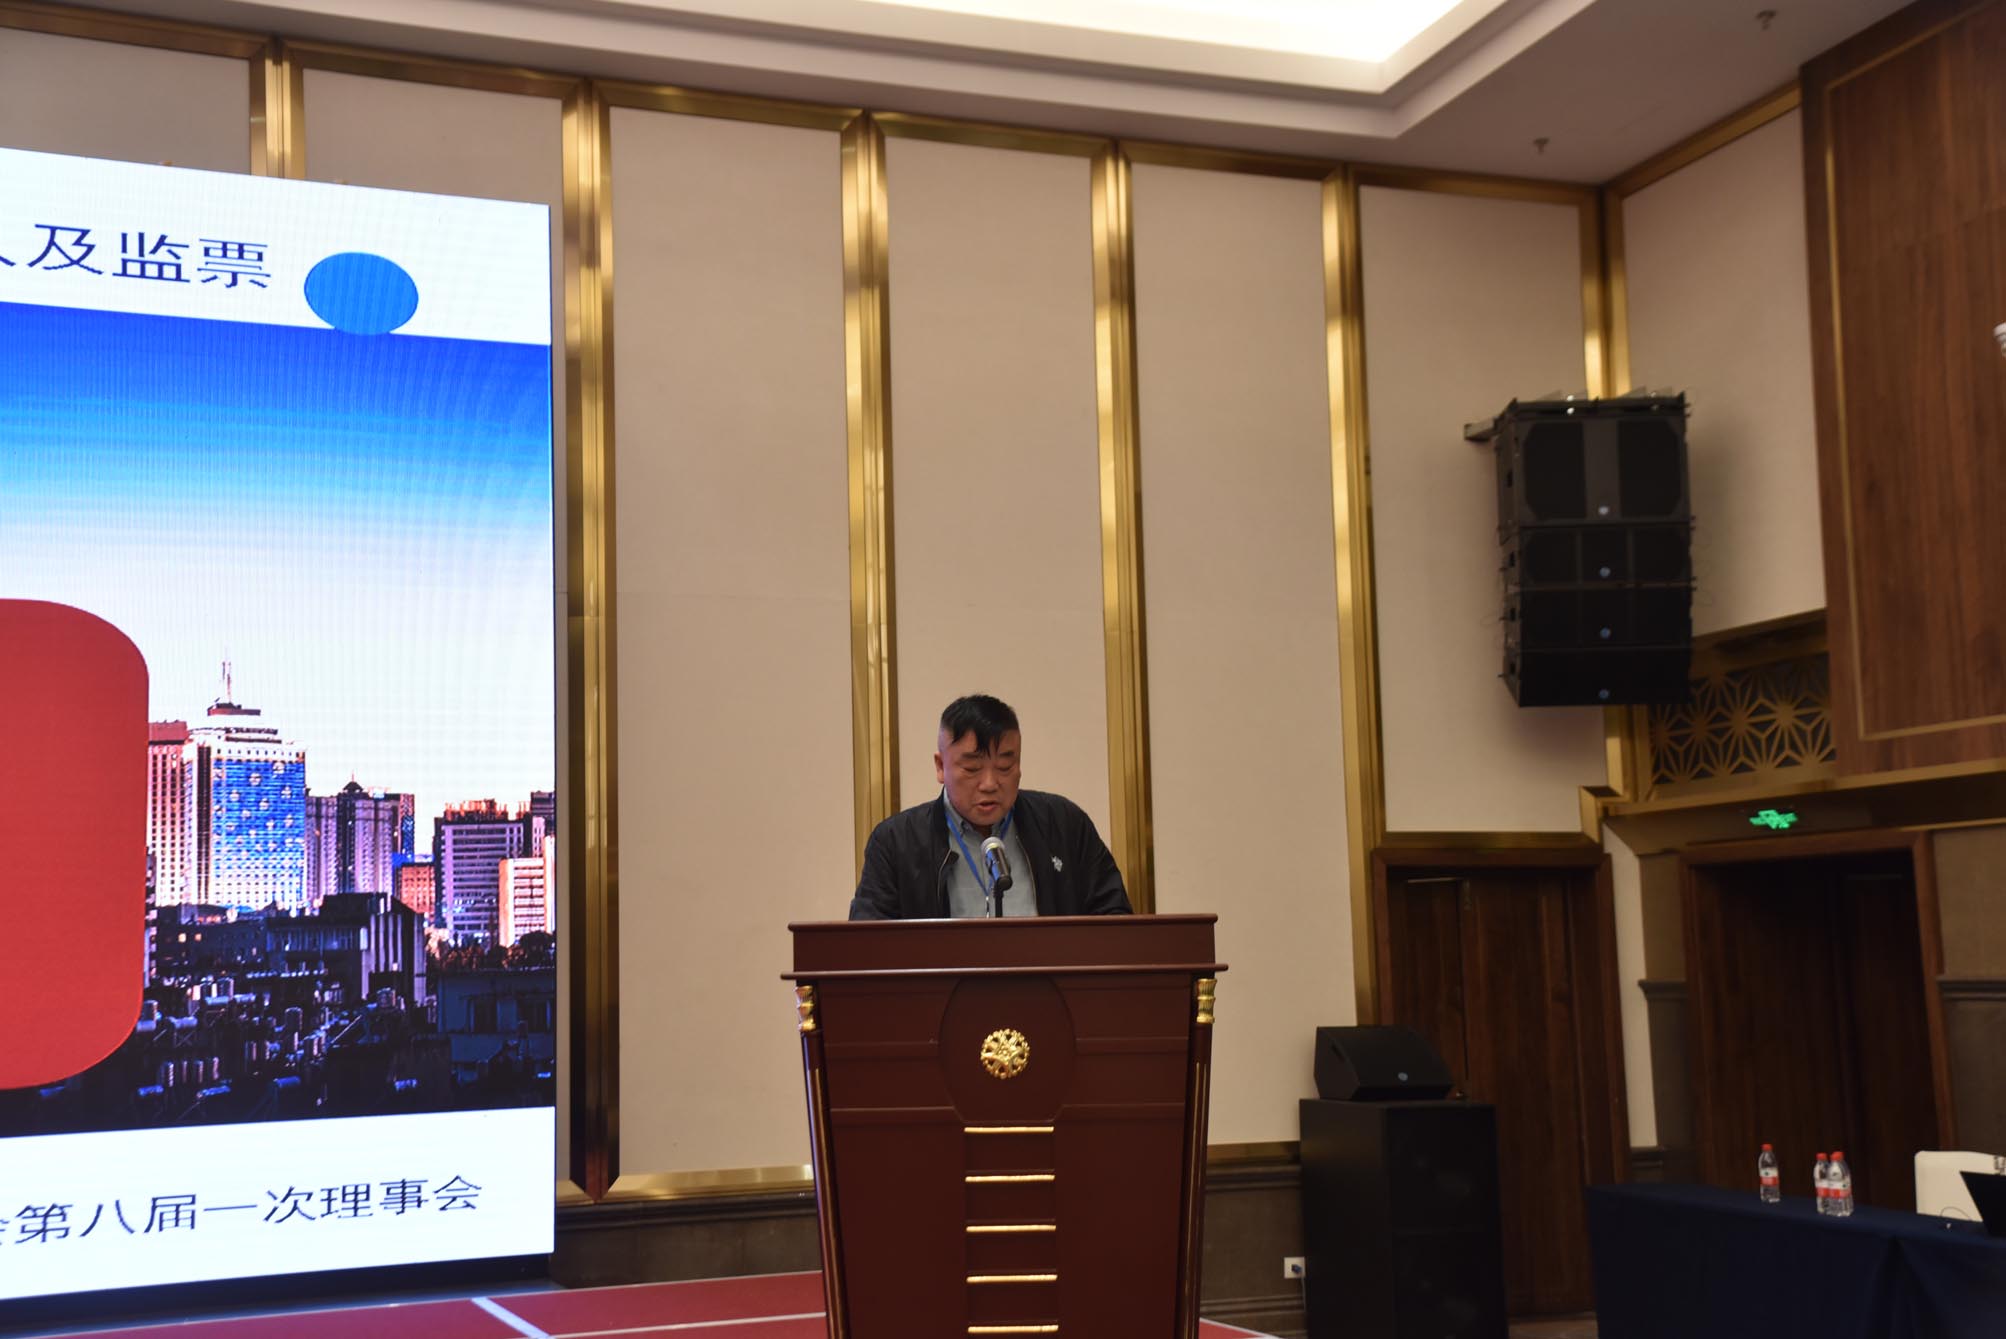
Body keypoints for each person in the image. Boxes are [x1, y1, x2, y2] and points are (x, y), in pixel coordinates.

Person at [848, 694, 1132, 919]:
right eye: (972, 768)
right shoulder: (896, 842)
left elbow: (1115, 921)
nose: (989, 783)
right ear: (940, 766)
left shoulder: (1064, 825)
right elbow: (870, 945)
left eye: (1005, 767)